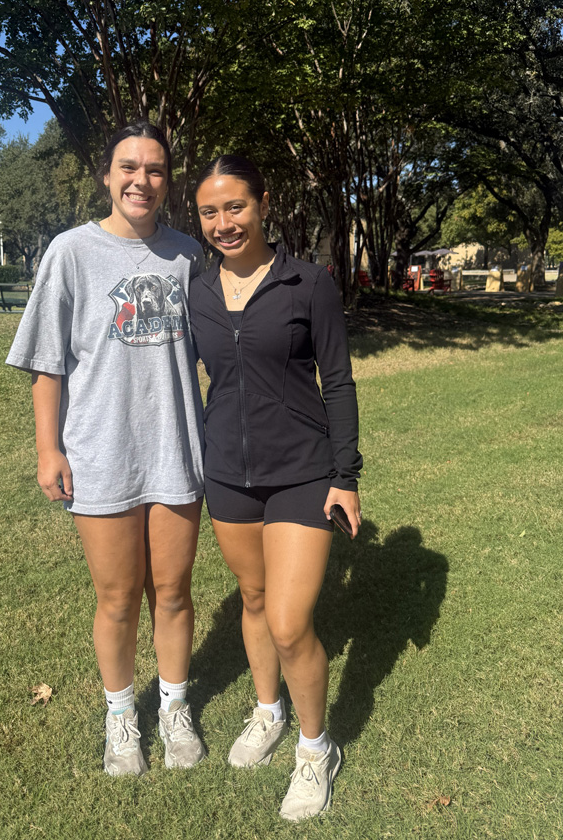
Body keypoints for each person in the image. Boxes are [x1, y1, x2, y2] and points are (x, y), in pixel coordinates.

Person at [6, 120, 206, 775]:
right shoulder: (70, 252)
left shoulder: (187, 255)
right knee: (118, 598)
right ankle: (122, 715)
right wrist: (48, 450)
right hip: (102, 452)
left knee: (173, 593)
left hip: (178, 451)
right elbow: (47, 363)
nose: (140, 180)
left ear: (166, 180)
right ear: (106, 175)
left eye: (153, 169)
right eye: (128, 167)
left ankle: (174, 708)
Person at [189, 156, 362, 821]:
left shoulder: (307, 283)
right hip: (228, 476)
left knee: (291, 624)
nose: (224, 223)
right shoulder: (198, 292)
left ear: (264, 203)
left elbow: (338, 382)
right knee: (254, 601)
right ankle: (269, 712)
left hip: (301, 473)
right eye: (209, 212)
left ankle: (317, 750)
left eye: (236, 207)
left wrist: (345, 476)